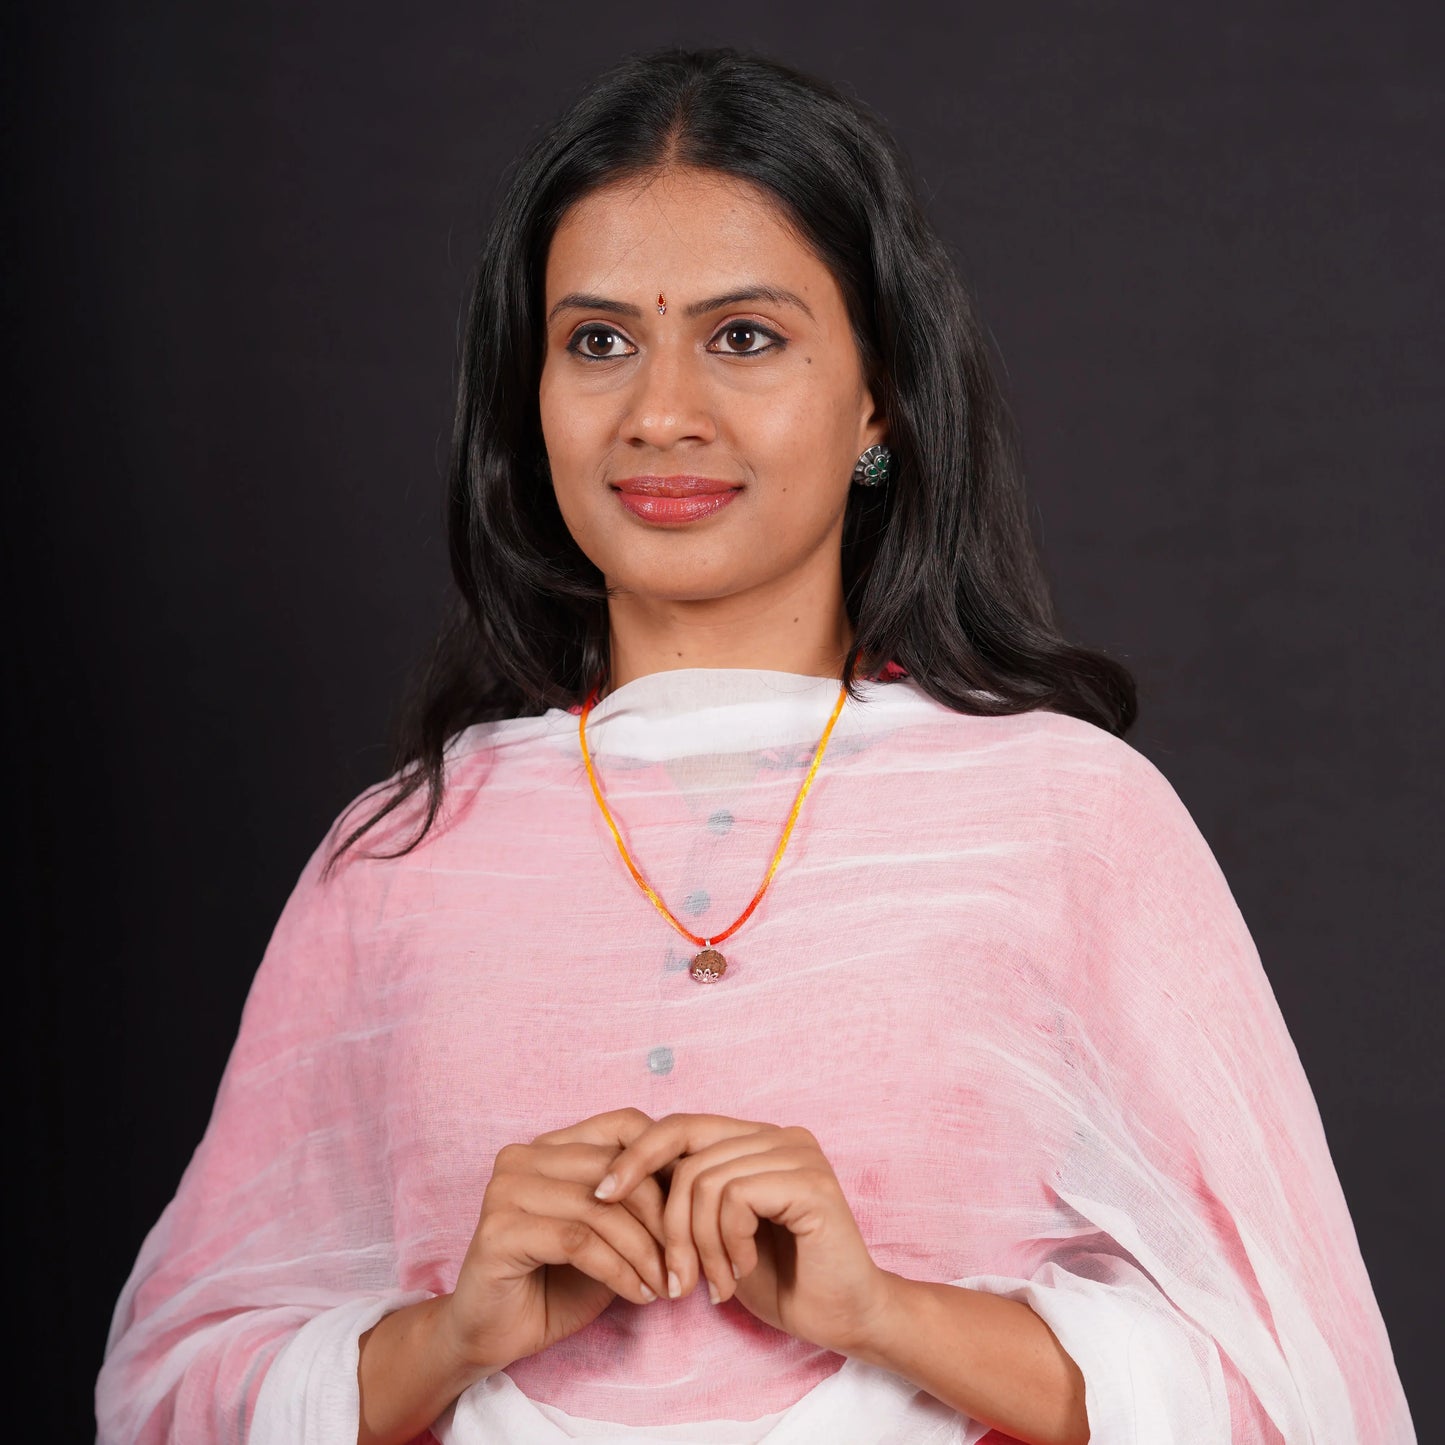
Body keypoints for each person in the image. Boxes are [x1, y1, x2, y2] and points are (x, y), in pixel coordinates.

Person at [95, 46, 1414, 1445]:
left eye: (744, 336)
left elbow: (1295, 1391)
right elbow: (169, 1394)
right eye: (596, 340)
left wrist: (879, 1311)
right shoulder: (402, 850)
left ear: (877, 399)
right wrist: (453, 1332)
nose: (661, 413)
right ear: (525, 396)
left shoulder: (1066, 820)